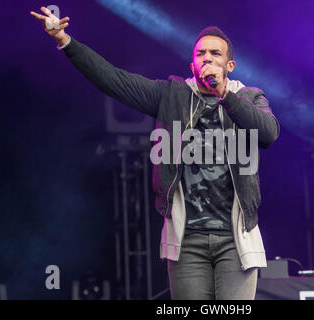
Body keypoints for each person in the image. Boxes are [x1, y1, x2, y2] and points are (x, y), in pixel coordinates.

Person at [30, 6, 279, 300]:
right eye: (200, 54)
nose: (207, 58)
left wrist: (224, 93)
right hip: (187, 242)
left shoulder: (250, 97)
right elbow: (114, 80)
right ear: (192, 64)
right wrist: (65, 41)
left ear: (230, 66)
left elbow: (268, 133)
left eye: (215, 54)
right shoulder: (171, 95)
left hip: (236, 240)